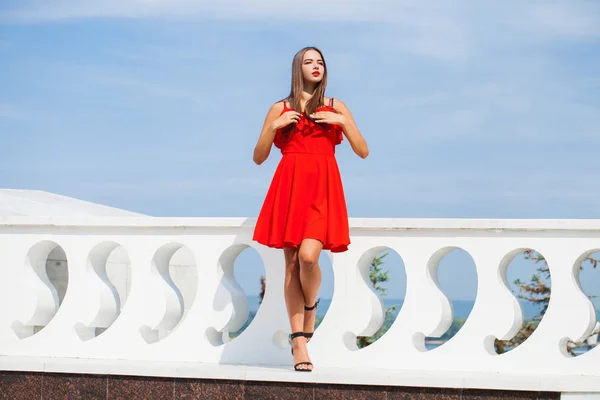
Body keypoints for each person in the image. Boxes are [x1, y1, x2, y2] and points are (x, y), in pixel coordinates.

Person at [252, 46, 369, 372]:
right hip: (289, 187)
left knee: (308, 257)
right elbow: (259, 156)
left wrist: (343, 121)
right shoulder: (279, 108)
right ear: (297, 68)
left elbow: (363, 150)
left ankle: (310, 304)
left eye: (320, 62)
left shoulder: (336, 107)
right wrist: (274, 128)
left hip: (322, 188)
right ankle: (299, 342)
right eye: (309, 62)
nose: (316, 66)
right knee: (290, 266)